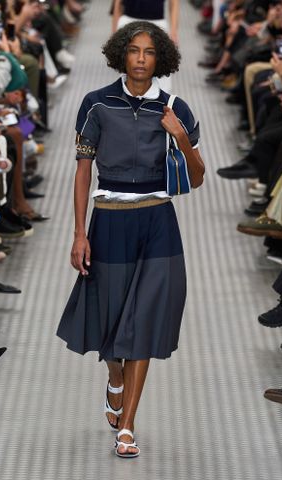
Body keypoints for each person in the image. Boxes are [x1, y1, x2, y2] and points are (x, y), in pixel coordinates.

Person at [57, 21, 204, 458]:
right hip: (110, 221)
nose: (141, 58)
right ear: (122, 54)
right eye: (135, 50)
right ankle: (115, 378)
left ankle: (128, 425)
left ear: (161, 60)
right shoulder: (96, 104)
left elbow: (196, 179)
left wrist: (179, 136)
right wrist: (79, 233)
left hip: (158, 222)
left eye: (150, 52)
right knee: (111, 320)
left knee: (145, 322)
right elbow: (83, 171)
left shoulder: (177, 109)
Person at [112, 0, 179, 91]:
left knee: (161, 70)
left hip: (157, 22)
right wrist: (115, 30)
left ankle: (161, 102)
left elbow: (174, 3)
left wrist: (174, 31)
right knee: (128, 70)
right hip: (128, 21)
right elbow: (118, 2)